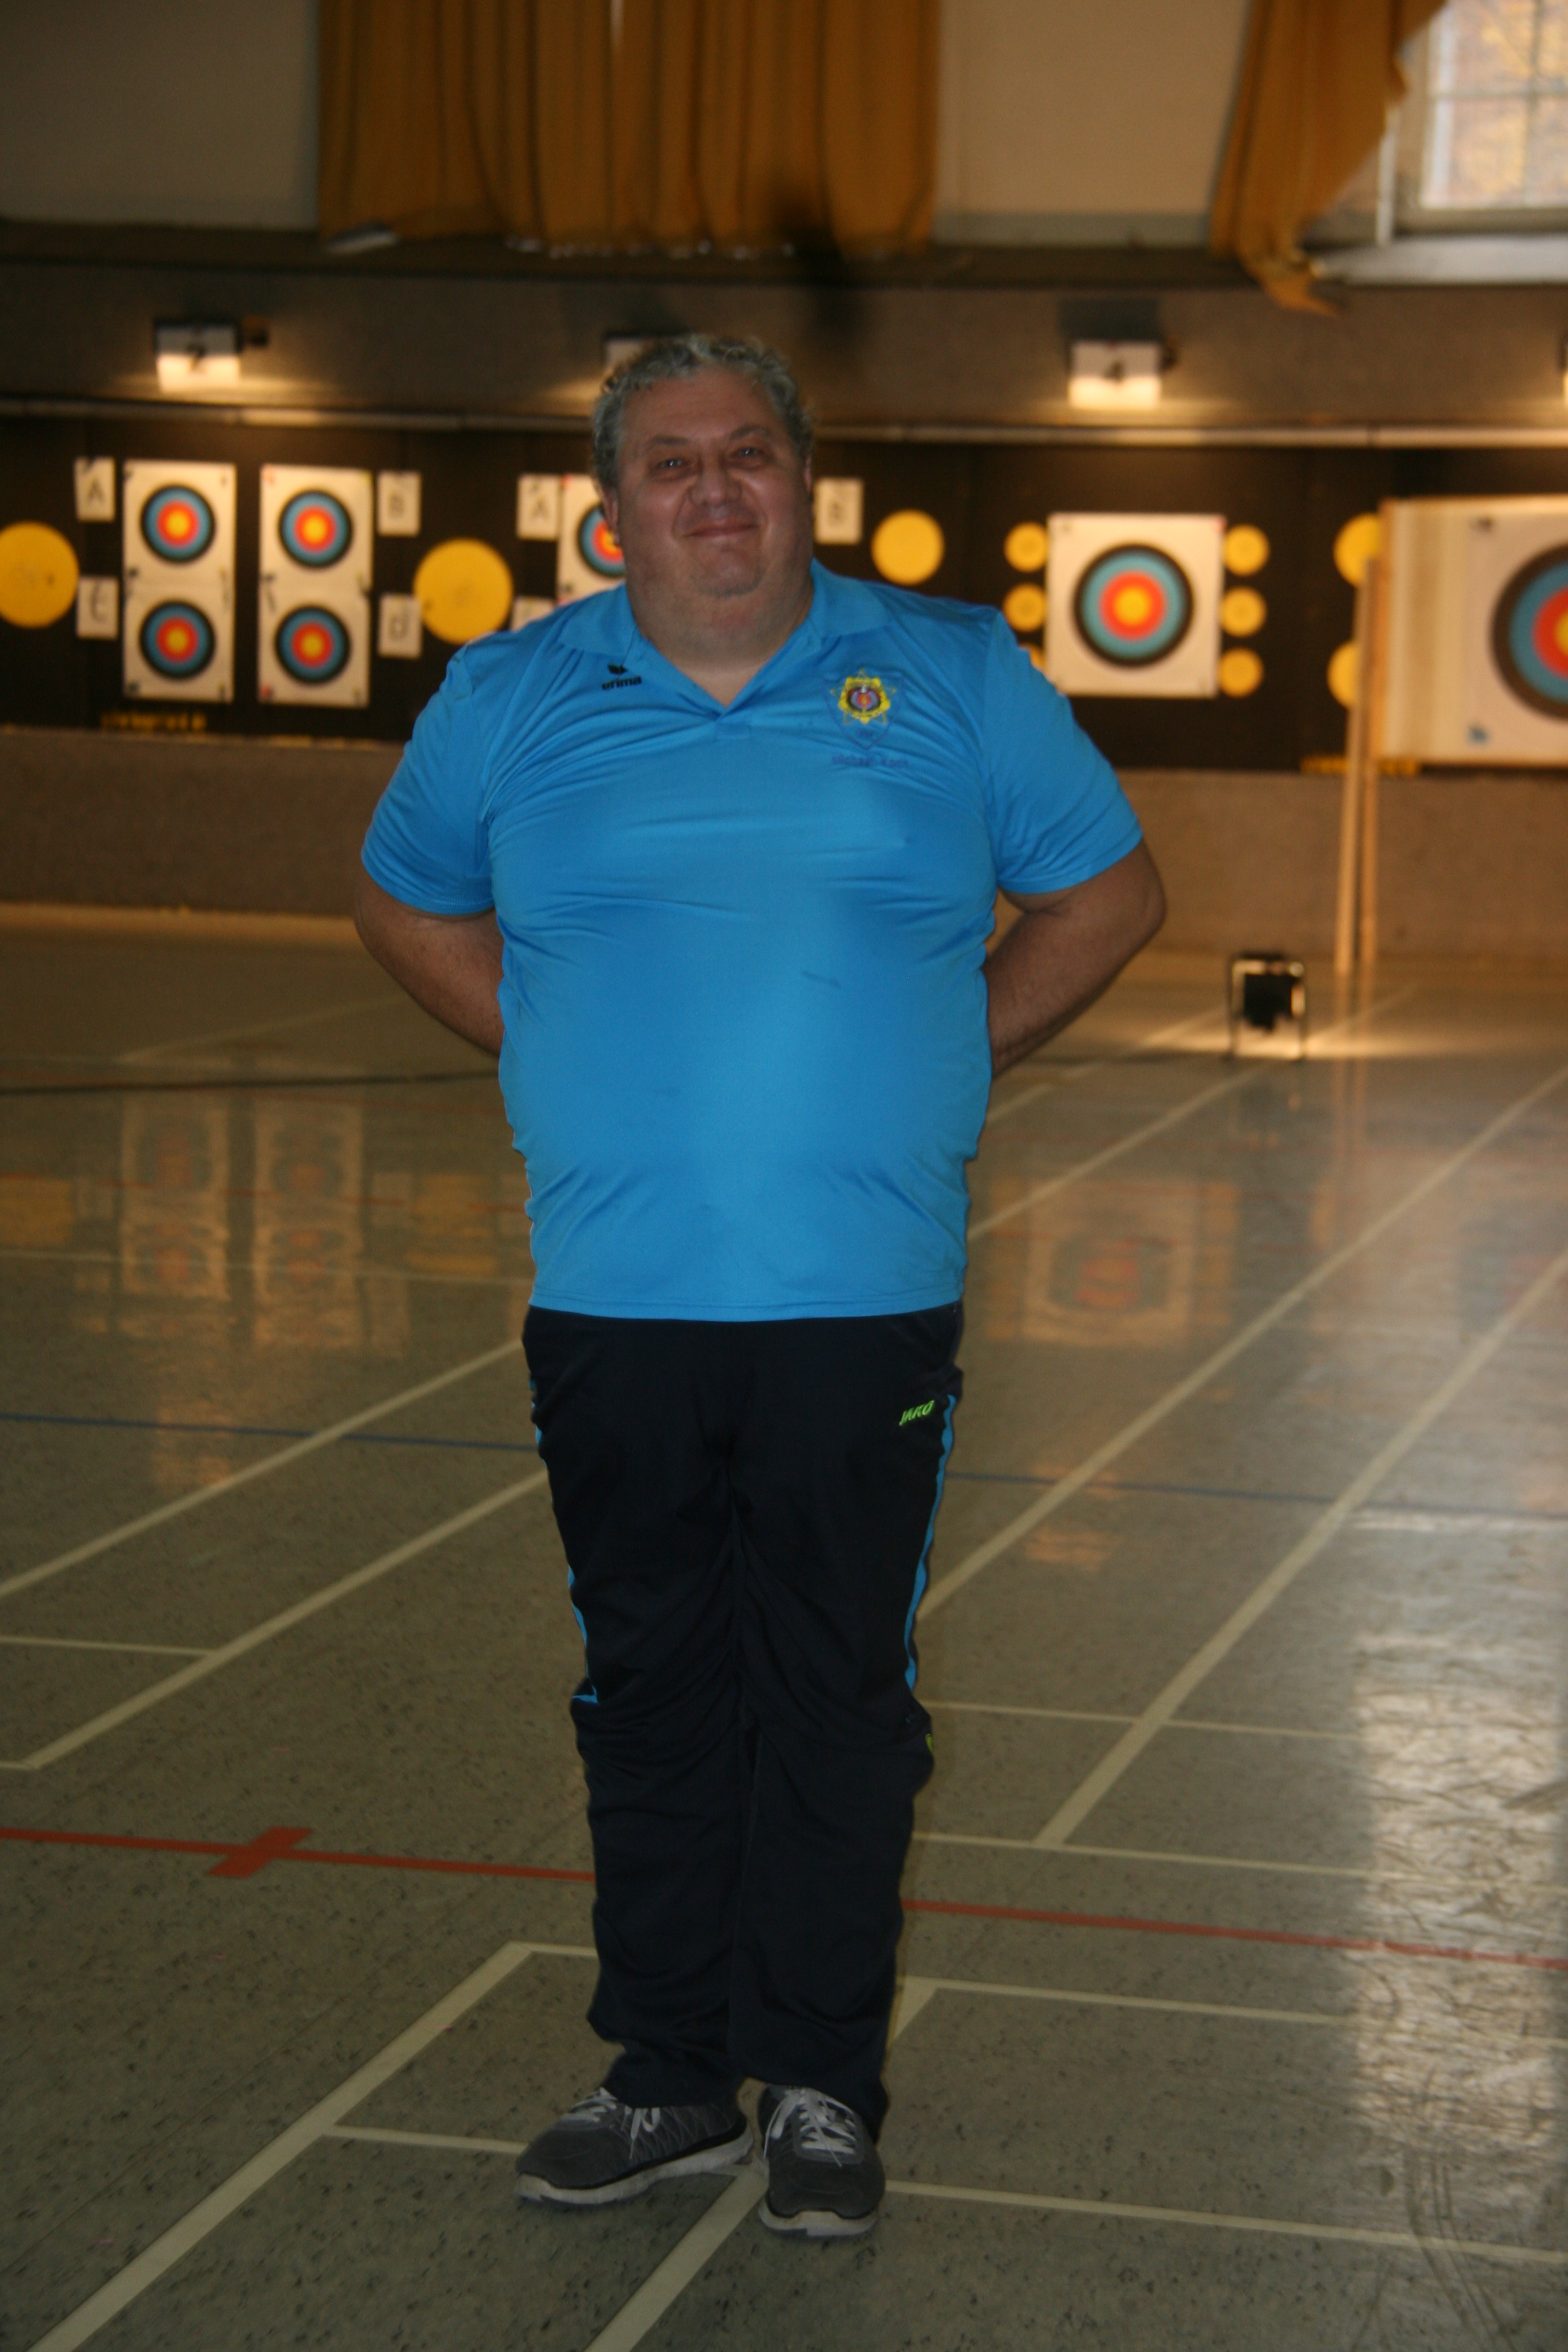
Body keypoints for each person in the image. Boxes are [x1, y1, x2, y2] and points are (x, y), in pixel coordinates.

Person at [354, 333, 1164, 2239]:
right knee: (647, 1685)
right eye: (670, 462)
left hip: (859, 1301)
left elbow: (1109, 894)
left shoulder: (954, 670)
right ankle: (665, 2071)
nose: (713, 489)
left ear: (805, 478)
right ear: (611, 508)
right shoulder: (511, 692)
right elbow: (401, 895)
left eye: (748, 454)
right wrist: (539, 1043)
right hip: (613, 1297)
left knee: (835, 1694)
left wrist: (953, 1047)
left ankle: (818, 2084)